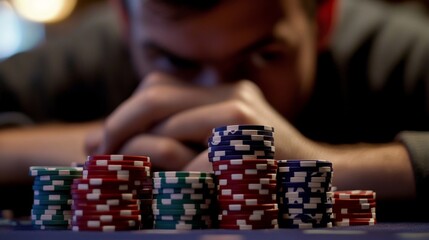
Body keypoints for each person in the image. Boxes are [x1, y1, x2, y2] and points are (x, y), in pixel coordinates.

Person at [0, 0, 428, 221]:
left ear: (323, 20)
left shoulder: (398, 52)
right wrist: (108, 151)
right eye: (175, 62)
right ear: (126, 25)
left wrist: (326, 167)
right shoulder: (88, 54)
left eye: (263, 55)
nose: (222, 101)